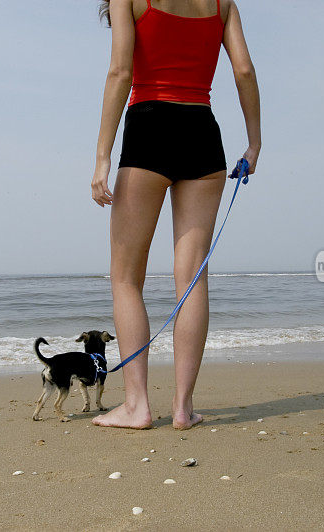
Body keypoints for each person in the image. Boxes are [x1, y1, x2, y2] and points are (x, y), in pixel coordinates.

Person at [90, 0, 261, 429]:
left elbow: (120, 72)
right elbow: (244, 70)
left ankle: (137, 406)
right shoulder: (222, 4)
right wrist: (254, 144)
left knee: (126, 278)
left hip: (149, 127)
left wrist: (102, 159)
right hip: (203, 133)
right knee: (192, 278)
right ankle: (183, 408)